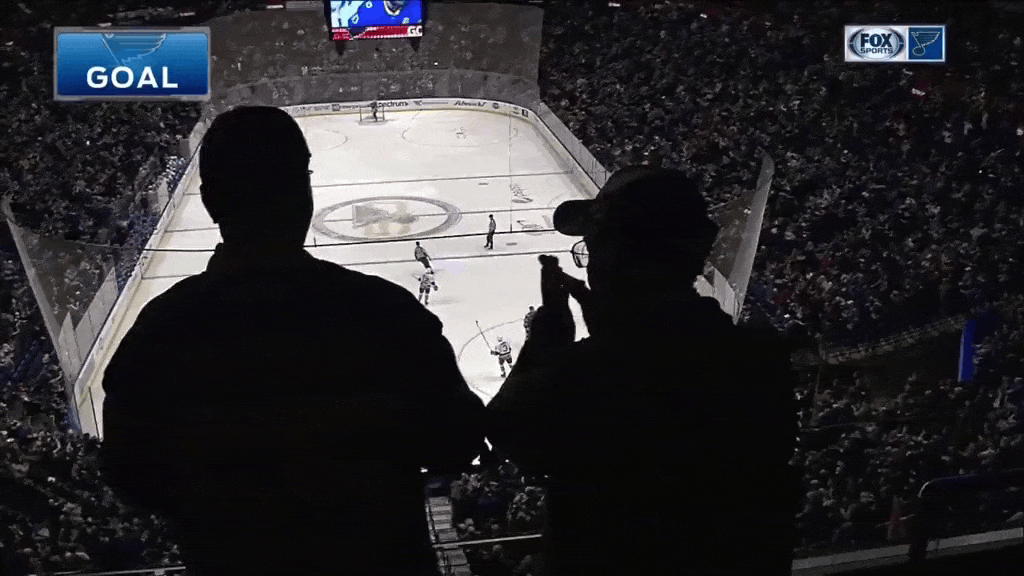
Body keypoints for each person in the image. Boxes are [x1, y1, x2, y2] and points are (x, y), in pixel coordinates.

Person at [100, 106, 488, 576]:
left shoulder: (162, 331)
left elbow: (130, 474)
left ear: (209, 200)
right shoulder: (384, 312)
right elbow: (456, 440)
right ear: (304, 192)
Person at [487, 166, 800, 576]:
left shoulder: (590, 373)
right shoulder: (757, 353)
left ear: (616, 258)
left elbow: (508, 429)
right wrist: (609, 326)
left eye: (595, 248)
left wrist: (551, 327)